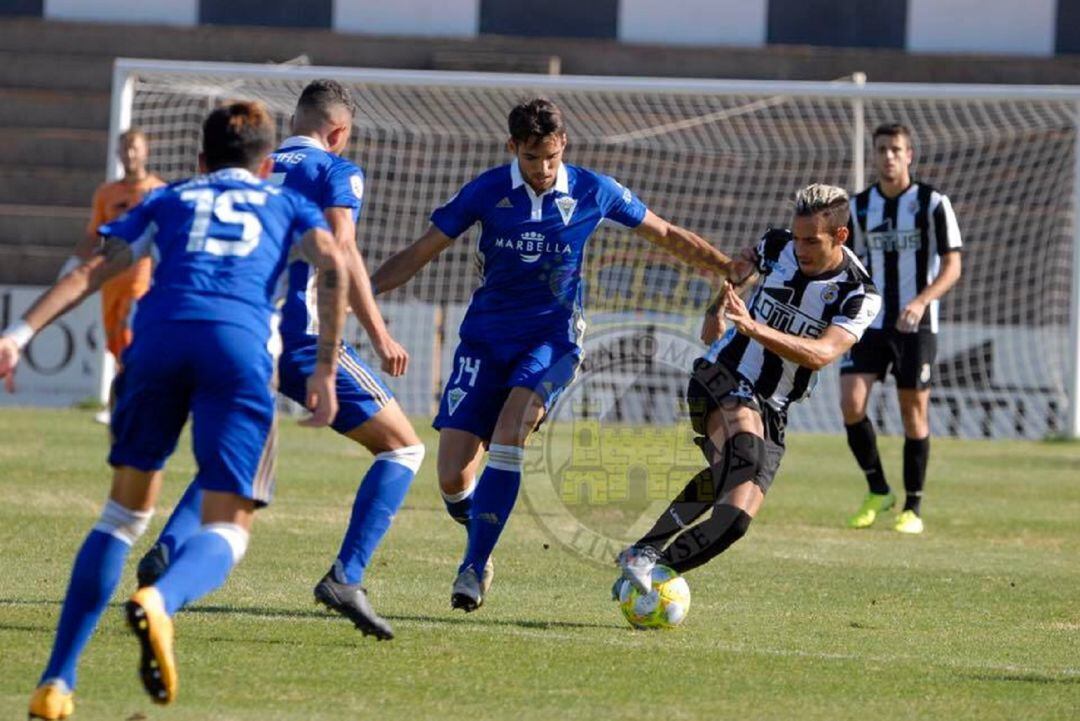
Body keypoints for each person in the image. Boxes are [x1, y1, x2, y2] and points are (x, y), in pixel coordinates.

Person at [5, 100, 347, 719]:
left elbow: (93, 270)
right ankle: (161, 601)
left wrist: (18, 334)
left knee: (120, 515)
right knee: (227, 526)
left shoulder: (171, 197)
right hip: (236, 350)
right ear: (268, 165)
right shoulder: (287, 203)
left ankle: (56, 683)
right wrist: (324, 367)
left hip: (157, 342)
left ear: (199, 160)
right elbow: (334, 263)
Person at [370, 97, 737, 612]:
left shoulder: (594, 189)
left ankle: (473, 567)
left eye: (551, 157)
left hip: (553, 340)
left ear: (563, 145)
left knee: (509, 433)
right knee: (453, 474)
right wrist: (360, 293)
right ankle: (480, 532)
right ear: (512, 148)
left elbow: (668, 234)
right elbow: (420, 252)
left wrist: (727, 267)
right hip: (485, 338)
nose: (543, 170)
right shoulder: (487, 191)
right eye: (531, 159)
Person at [135, 79, 422, 641]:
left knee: (241, 454)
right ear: (338, 132)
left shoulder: (260, 167)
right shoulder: (337, 172)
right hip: (302, 336)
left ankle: (168, 552)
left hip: (243, 328)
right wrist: (378, 334)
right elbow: (341, 254)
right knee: (404, 447)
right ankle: (347, 576)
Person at [615, 184, 882, 594]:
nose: (800, 248)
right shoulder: (777, 245)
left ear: (840, 236)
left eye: (812, 241)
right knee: (742, 456)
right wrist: (716, 308)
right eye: (797, 237)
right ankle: (646, 552)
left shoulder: (858, 294)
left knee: (734, 520)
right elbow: (737, 271)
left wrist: (756, 326)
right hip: (721, 376)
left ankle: (650, 574)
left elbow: (823, 354)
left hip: (773, 406)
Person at [840, 123, 962, 534]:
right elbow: (849, 263)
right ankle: (878, 489)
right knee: (851, 403)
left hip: (917, 325)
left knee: (914, 413)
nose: (888, 156)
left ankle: (913, 507)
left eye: (896, 149)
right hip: (870, 322)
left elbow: (953, 265)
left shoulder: (932, 203)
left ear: (909, 155)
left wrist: (921, 301)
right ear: (874, 156)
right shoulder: (858, 207)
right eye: (882, 149)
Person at [65, 128, 165, 424]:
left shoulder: (158, 191)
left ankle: (123, 407)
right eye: (125, 149)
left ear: (146, 151)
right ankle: (127, 405)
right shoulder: (106, 193)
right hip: (110, 281)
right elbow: (93, 234)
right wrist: (73, 262)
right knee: (116, 345)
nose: (130, 154)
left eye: (135, 148)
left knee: (130, 337)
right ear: (118, 154)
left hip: (140, 279)